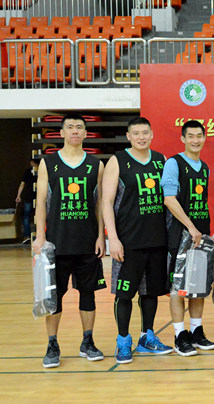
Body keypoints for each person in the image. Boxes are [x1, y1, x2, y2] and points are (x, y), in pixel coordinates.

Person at [32, 113, 106, 368]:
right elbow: (41, 202)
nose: (75, 131)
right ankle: (52, 344)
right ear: (62, 133)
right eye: (70, 127)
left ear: (85, 133)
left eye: (79, 127)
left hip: (87, 242)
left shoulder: (96, 165)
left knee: (88, 295)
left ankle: (88, 341)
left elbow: (99, 205)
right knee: (54, 297)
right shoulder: (48, 163)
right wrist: (40, 236)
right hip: (57, 243)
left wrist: (101, 236)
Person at [103, 116, 173, 364]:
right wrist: (113, 238)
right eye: (136, 133)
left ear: (152, 134)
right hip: (128, 242)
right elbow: (106, 202)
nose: (141, 137)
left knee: (151, 292)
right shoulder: (117, 161)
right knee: (124, 294)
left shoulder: (161, 160)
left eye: (145, 132)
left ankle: (147, 337)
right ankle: (123, 341)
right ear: (128, 136)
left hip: (157, 239)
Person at [162, 120, 214, 356]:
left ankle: (196, 331)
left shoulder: (204, 167)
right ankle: (179, 335)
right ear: (183, 138)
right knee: (178, 288)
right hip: (180, 235)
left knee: (198, 286)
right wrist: (190, 226)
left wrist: (204, 232)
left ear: (204, 138)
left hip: (200, 235)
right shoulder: (174, 163)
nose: (195, 140)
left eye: (199, 136)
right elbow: (169, 199)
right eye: (191, 136)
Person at [16, 157, 39, 244]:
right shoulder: (42, 171)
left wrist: (18, 195)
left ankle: (27, 236)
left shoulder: (27, 171)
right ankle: (39, 235)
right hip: (38, 196)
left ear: (32, 162)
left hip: (28, 196)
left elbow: (22, 184)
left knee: (26, 216)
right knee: (40, 216)